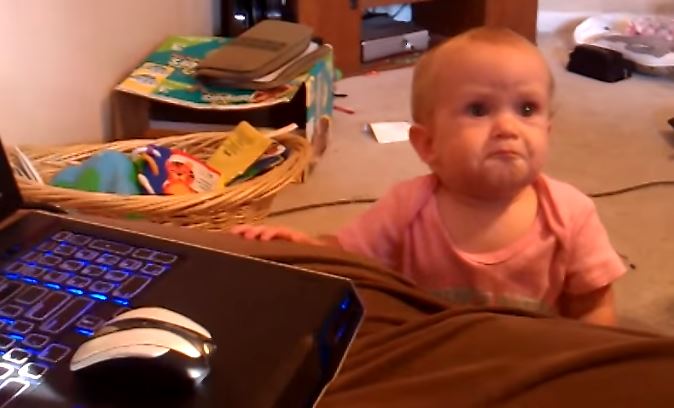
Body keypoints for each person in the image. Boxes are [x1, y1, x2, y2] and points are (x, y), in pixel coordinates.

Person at [231, 27, 626, 326]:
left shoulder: (571, 214)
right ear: (428, 145)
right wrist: (307, 246)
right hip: (432, 356)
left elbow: (593, 305)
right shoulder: (407, 207)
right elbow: (349, 255)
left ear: (548, 132)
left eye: (526, 109)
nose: (508, 128)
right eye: (478, 110)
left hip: (531, 364)